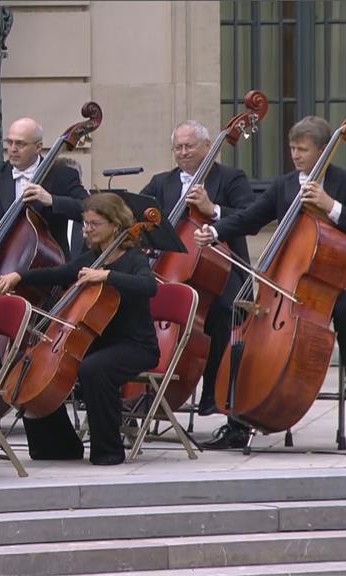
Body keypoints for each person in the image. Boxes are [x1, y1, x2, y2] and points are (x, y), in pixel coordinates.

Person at [193, 115, 346, 449]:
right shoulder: (284, 185)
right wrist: (216, 230)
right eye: (292, 148)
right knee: (248, 319)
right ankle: (240, 415)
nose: (295, 155)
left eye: (302, 149)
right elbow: (251, 218)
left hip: (337, 276)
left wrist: (330, 206)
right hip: (287, 279)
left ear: (323, 149)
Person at [0, 193, 160, 466]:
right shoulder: (92, 257)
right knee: (29, 366)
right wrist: (20, 276)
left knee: (94, 369)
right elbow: (59, 273)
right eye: (85, 223)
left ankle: (108, 450)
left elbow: (149, 286)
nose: (87, 229)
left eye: (94, 224)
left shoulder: (133, 260)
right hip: (97, 342)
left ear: (115, 225)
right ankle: (59, 445)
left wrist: (107, 275)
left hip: (135, 345)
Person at [139, 120, 255, 415]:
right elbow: (137, 215)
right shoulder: (161, 182)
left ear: (207, 147)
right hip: (170, 269)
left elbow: (250, 217)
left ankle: (213, 390)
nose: (183, 152)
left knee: (221, 311)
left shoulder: (231, 178)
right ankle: (147, 388)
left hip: (220, 269)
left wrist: (212, 209)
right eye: (177, 147)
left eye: (189, 146)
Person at [0, 117, 89, 257]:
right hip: (2, 260)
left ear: (38, 147)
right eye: (9, 142)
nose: (13, 149)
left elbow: (89, 208)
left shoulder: (62, 175)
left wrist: (52, 200)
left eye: (20, 144)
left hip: (48, 263)